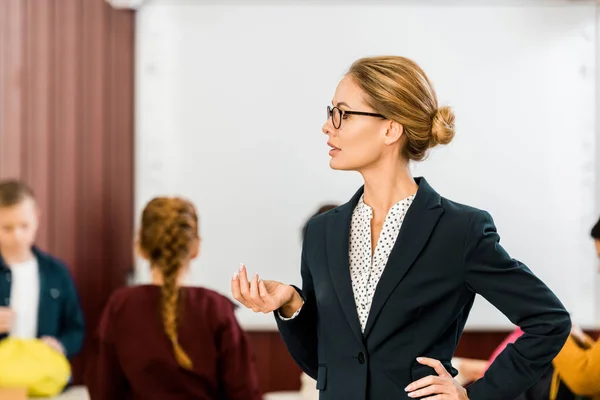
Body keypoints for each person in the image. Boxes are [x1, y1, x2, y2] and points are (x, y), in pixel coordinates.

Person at [231, 56, 571, 399]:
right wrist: (290, 303)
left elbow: (549, 321)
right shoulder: (322, 233)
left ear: (390, 129)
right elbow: (323, 364)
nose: (327, 126)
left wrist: (476, 396)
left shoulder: (459, 230)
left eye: (343, 113)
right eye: (330, 111)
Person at [92, 197, 262, 400]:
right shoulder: (216, 308)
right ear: (196, 248)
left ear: (141, 247)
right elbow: (244, 393)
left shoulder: (119, 306)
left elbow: (103, 390)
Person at [0, 179, 84, 359]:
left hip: (43, 378)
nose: (17, 236)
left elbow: (76, 329)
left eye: (24, 226)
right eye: (7, 228)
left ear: (36, 218)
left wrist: (61, 345)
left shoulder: (57, 272)